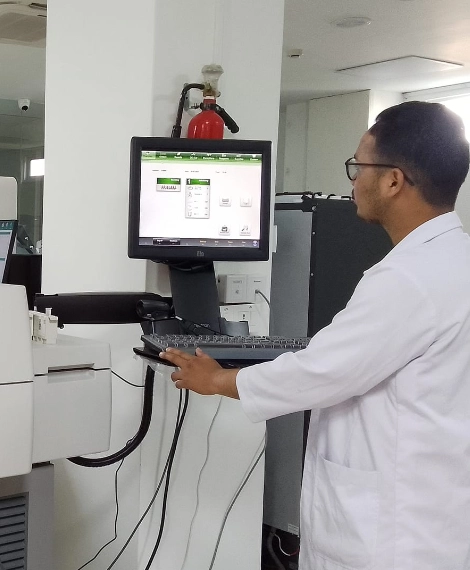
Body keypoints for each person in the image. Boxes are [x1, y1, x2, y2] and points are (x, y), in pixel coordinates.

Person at [159, 101, 470, 570]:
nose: (353, 181)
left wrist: (218, 379)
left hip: (391, 536)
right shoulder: (455, 259)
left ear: (393, 180)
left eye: (358, 167)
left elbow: (324, 371)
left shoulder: (408, 279)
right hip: (434, 516)